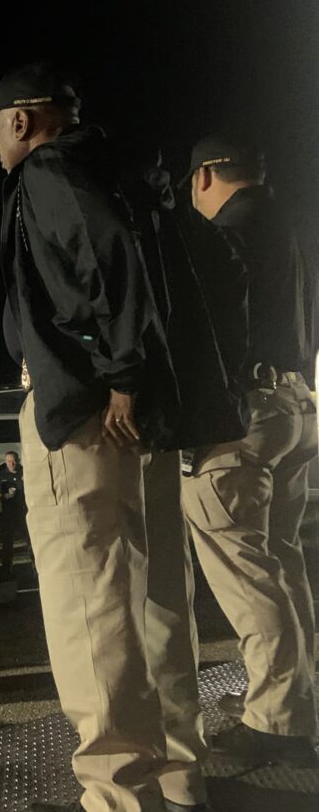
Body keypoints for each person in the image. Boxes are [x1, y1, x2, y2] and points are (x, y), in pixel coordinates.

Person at [0, 63, 201, 812]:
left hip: (86, 416)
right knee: (159, 600)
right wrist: (136, 377)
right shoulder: (125, 169)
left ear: (21, 120)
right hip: (143, 418)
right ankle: (179, 776)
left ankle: (118, 794)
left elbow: (103, 256)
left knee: (93, 607)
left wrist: (120, 373)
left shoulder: (48, 168)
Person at [180, 136, 318, 767]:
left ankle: (278, 720)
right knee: (282, 563)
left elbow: (204, 331)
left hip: (247, 415)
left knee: (247, 571)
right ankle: (291, 700)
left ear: (204, 176)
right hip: (295, 403)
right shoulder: (286, 227)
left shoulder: (225, 234)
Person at [0, 450, 28, 578]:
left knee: (30, 540)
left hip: (24, 512)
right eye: (9, 461)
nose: (12, 464)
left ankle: (35, 567)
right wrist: (3, 495)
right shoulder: (1, 475)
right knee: (7, 542)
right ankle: (6, 569)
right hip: (8, 514)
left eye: (14, 461)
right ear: (5, 461)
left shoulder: (25, 472)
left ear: (18, 461)